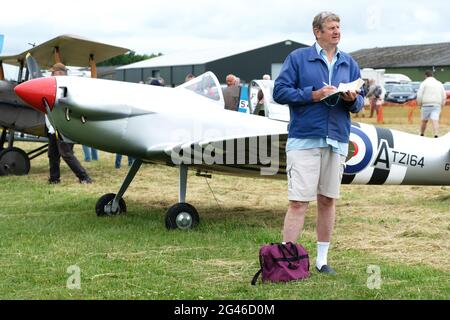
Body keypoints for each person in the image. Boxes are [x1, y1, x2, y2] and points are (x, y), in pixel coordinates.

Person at [273, 11, 364, 275]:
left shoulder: (350, 63)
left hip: (336, 140)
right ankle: (286, 261)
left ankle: (322, 261)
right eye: (331, 27)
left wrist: (350, 99)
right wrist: (313, 95)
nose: (337, 31)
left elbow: (360, 102)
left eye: (339, 27)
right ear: (317, 31)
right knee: (299, 202)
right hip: (304, 140)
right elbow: (280, 92)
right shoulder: (298, 58)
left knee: (327, 200)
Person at [46, 63, 92, 184]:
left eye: (53, 72)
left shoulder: (67, 86)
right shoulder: (55, 85)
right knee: (52, 154)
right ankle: (54, 179)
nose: (51, 74)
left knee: (66, 153)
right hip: (53, 126)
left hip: (63, 125)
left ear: (60, 73)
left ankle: (84, 177)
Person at [416, 70, 446, 138]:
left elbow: (419, 95)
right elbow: (443, 95)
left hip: (426, 104)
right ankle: (436, 134)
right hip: (437, 104)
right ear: (432, 75)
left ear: (425, 76)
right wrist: (442, 104)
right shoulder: (439, 83)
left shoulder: (424, 83)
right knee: (435, 120)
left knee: (424, 120)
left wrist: (419, 104)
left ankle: (421, 134)